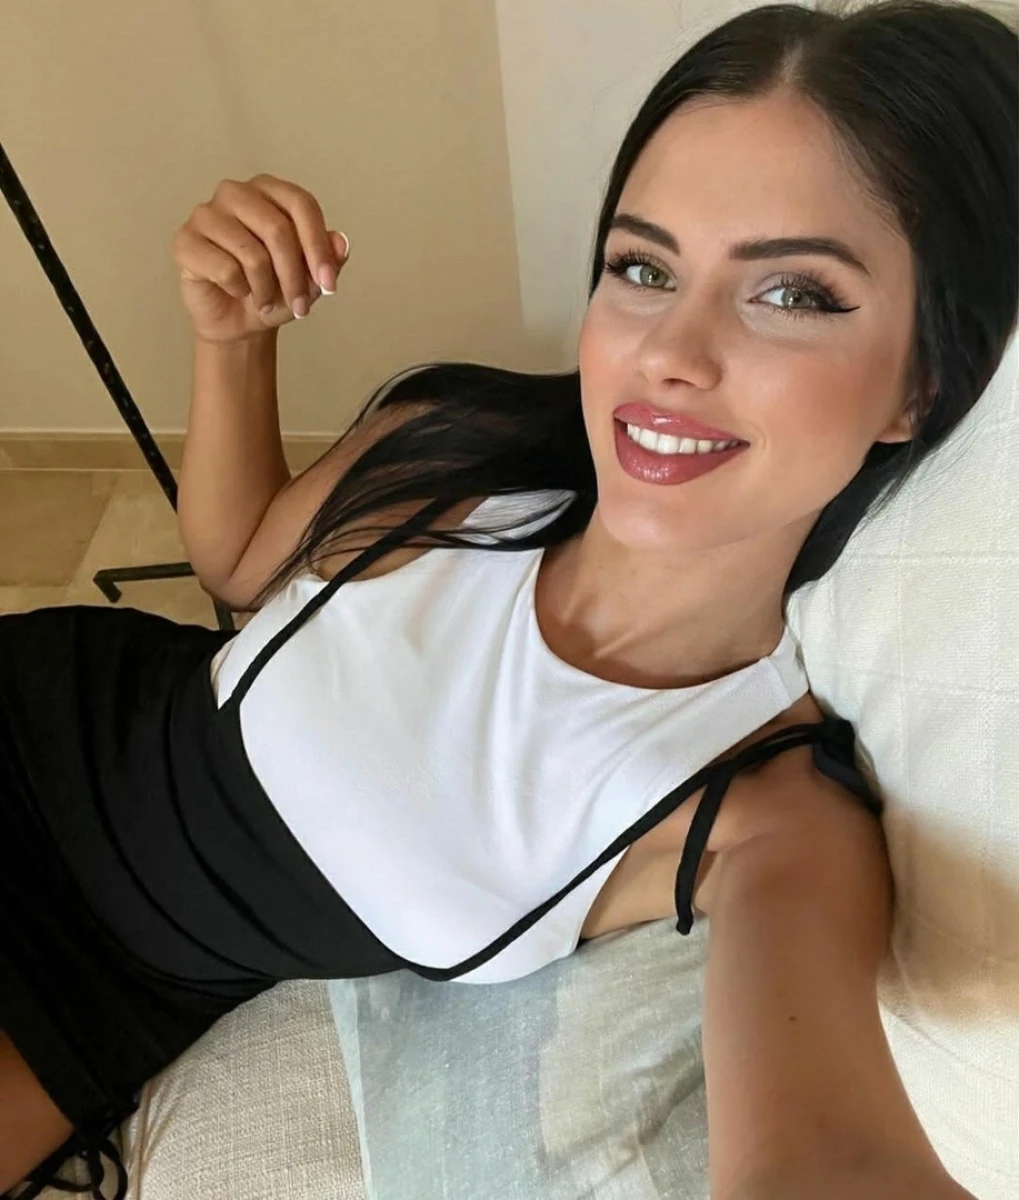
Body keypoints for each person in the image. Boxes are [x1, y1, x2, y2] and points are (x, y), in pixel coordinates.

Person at [1, 1, 1015, 1197]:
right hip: (39, 724)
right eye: (641, 269)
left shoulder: (764, 813)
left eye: (790, 293)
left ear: (920, 386)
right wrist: (233, 343)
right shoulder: (461, 450)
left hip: (112, 987)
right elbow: (239, 570)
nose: (667, 353)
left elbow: (827, 1159)